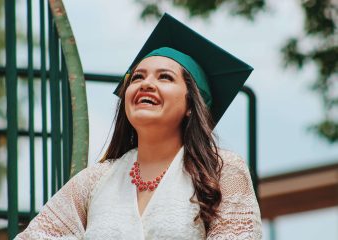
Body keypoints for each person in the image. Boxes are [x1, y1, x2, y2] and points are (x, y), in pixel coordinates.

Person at [15, 13, 262, 239]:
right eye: (137, 77)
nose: (146, 84)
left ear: (191, 104)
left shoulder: (220, 171)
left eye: (165, 77)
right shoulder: (94, 180)